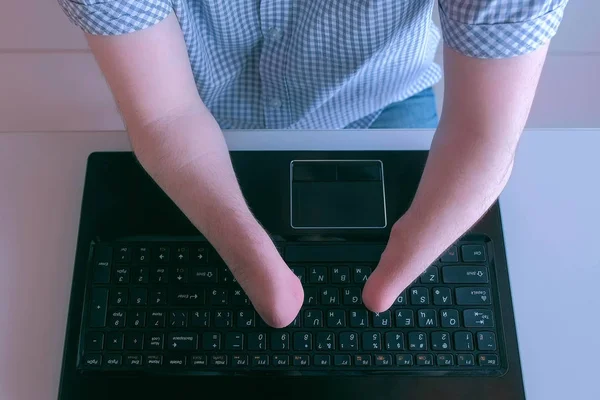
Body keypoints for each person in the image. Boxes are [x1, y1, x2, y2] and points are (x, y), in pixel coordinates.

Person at [58, 0, 567, 328]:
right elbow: (167, 114)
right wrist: (250, 258)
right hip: (201, 105)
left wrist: (400, 266)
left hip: (380, 97)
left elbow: (482, 133)